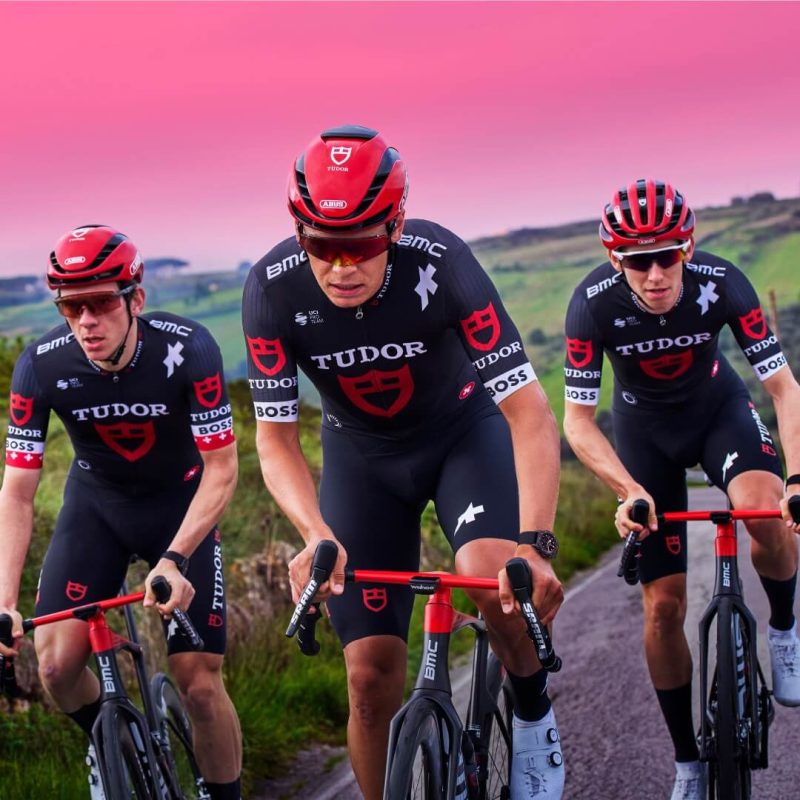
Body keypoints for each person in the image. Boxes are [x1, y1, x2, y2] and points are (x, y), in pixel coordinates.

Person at [242, 125, 565, 799]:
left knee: (488, 578)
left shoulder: (441, 261)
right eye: (321, 247)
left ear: (394, 225)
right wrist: (314, 531)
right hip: (361, 460)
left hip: (461, 438)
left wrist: (534, 545)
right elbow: (274, 438)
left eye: (361, 244)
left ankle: (533, 713)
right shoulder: (271, 291)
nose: (340, 266)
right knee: (366, 677)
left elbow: (530, 413)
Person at [563, 179, 800, 799]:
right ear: (615, 259)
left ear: (688, 247)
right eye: (638, 260)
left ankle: (783, 626)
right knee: (663, 605)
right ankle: (688, 762)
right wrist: (625, 490)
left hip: (718, 411)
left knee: (760, 511)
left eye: (667, 255)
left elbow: (784, 389)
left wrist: (796, 478)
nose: (655, 273)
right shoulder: (592, 304)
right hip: (645, 437)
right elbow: (578, 421)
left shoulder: (723, 282)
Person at [0, 225, 243, 800]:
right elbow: (17, 492)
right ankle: (116, 745)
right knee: (57, 670)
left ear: (135, 299)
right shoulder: (40, 366)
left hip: (180, 510)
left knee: (199, 683)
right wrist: (5, 601)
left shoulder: (190, 348)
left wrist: (177, 558)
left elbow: (223, 469)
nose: (86, 320)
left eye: (102, 302)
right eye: (70, 305)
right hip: (98, 510)